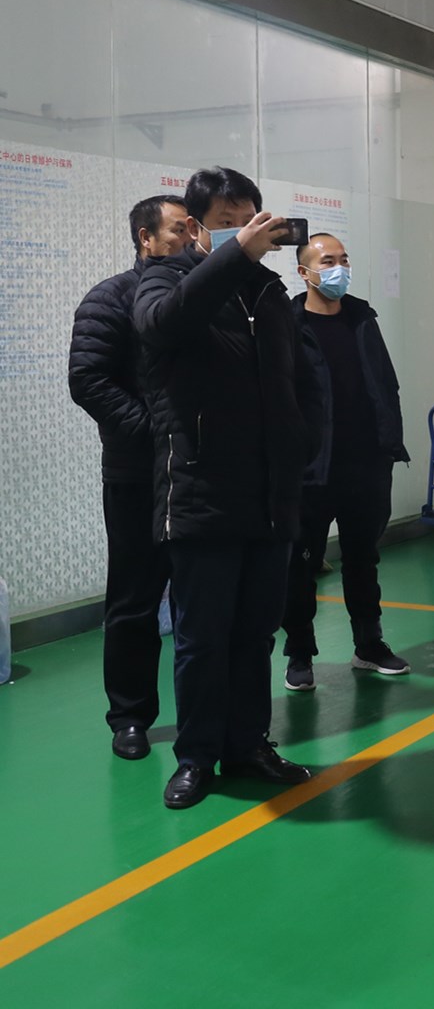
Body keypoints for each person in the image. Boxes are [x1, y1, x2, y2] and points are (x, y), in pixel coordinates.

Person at [133, 166, 319, 808]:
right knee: (202, 638)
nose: (243, 232)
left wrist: (301, 446)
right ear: (194, 227)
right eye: (227, 222)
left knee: (255, 634)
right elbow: (163, 325)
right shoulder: (164, 279)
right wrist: (232, 257)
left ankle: (248, 745)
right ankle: (195, 756)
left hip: (271, 494)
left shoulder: (269, 293)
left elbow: (301, 380)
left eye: (250, 220)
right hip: (201, 490)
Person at [68, 194, 189, 760]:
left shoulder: (198, 299)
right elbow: (88, 380)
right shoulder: (110, 298)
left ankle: (207, 715)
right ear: (146, 237)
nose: (189, 237)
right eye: (178, 229)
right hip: (138, 474)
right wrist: (157, 433)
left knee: (202, 600)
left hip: (200, 476)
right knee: (135, 601)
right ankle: (131, 718)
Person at [279, 233, 411, 692]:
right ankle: (299, 652)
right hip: (312, 469)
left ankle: (369, 644)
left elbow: (385, 383)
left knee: (363, 559)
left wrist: (389, 444)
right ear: (304, 272)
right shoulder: (289, 325)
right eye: (327, 261)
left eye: (344, 259)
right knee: (301, 565)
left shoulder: (362, 318)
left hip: (366, 464)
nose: (339, 268)